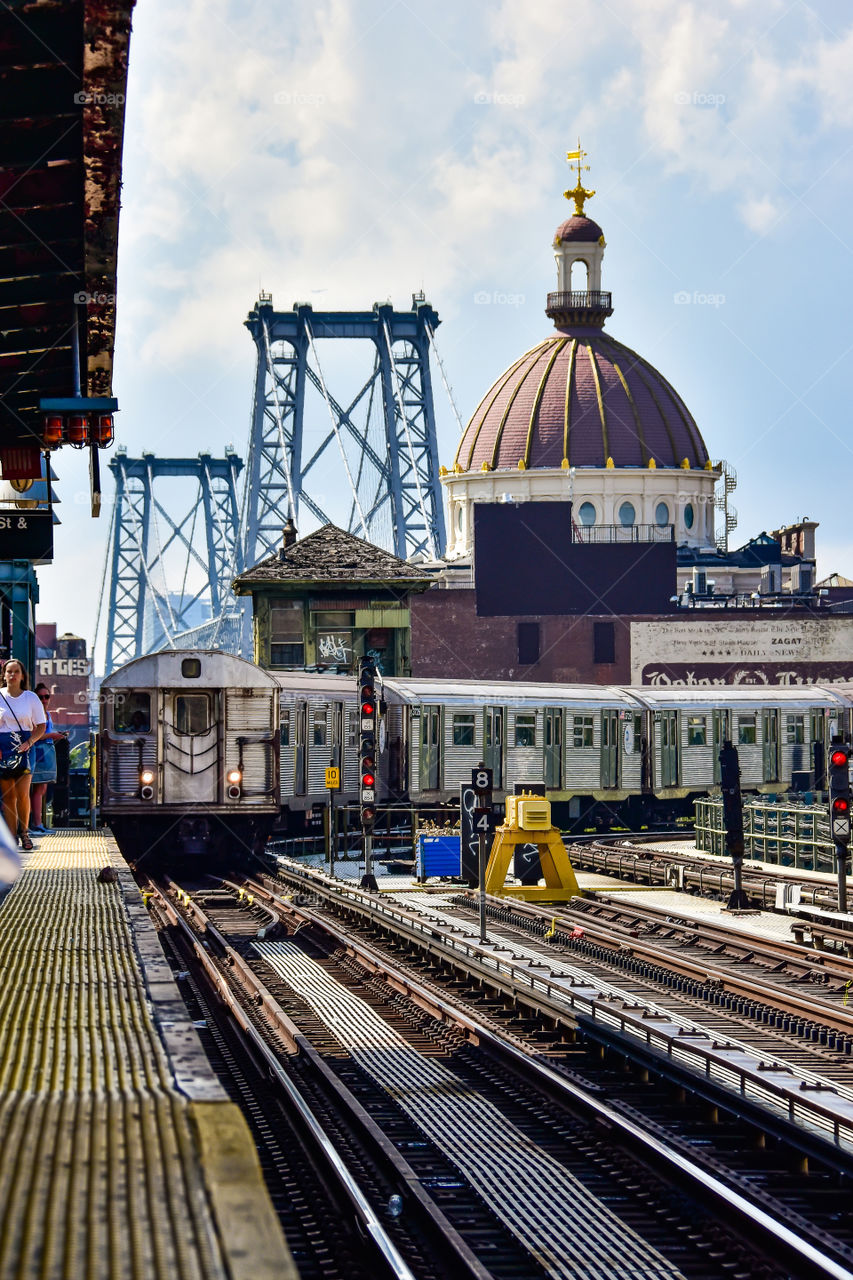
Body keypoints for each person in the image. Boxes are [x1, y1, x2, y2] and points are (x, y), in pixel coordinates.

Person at [0, 659, 46, 851]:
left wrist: (29, 742)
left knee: (23, 794)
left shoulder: (31, 698)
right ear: (3, 675)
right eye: (9, 672)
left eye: (16, 671)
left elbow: (41, 726)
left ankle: (24, 833)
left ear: (22, 675)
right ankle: (11, 838)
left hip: (24, 746)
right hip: (2, 747)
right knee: (8, 796)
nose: (12, 675)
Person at [30, 684, 65, 834]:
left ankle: (38, 823)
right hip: (38, 753)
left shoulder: (47, 715)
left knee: (42, 788)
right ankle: (35, 824)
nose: (44, 700)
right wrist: (52, 735)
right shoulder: (34, 715)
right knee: (37, 789)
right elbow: (33, 736)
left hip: (47, 753)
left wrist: (57, 734)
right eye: (40, 697)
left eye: (46, 696)